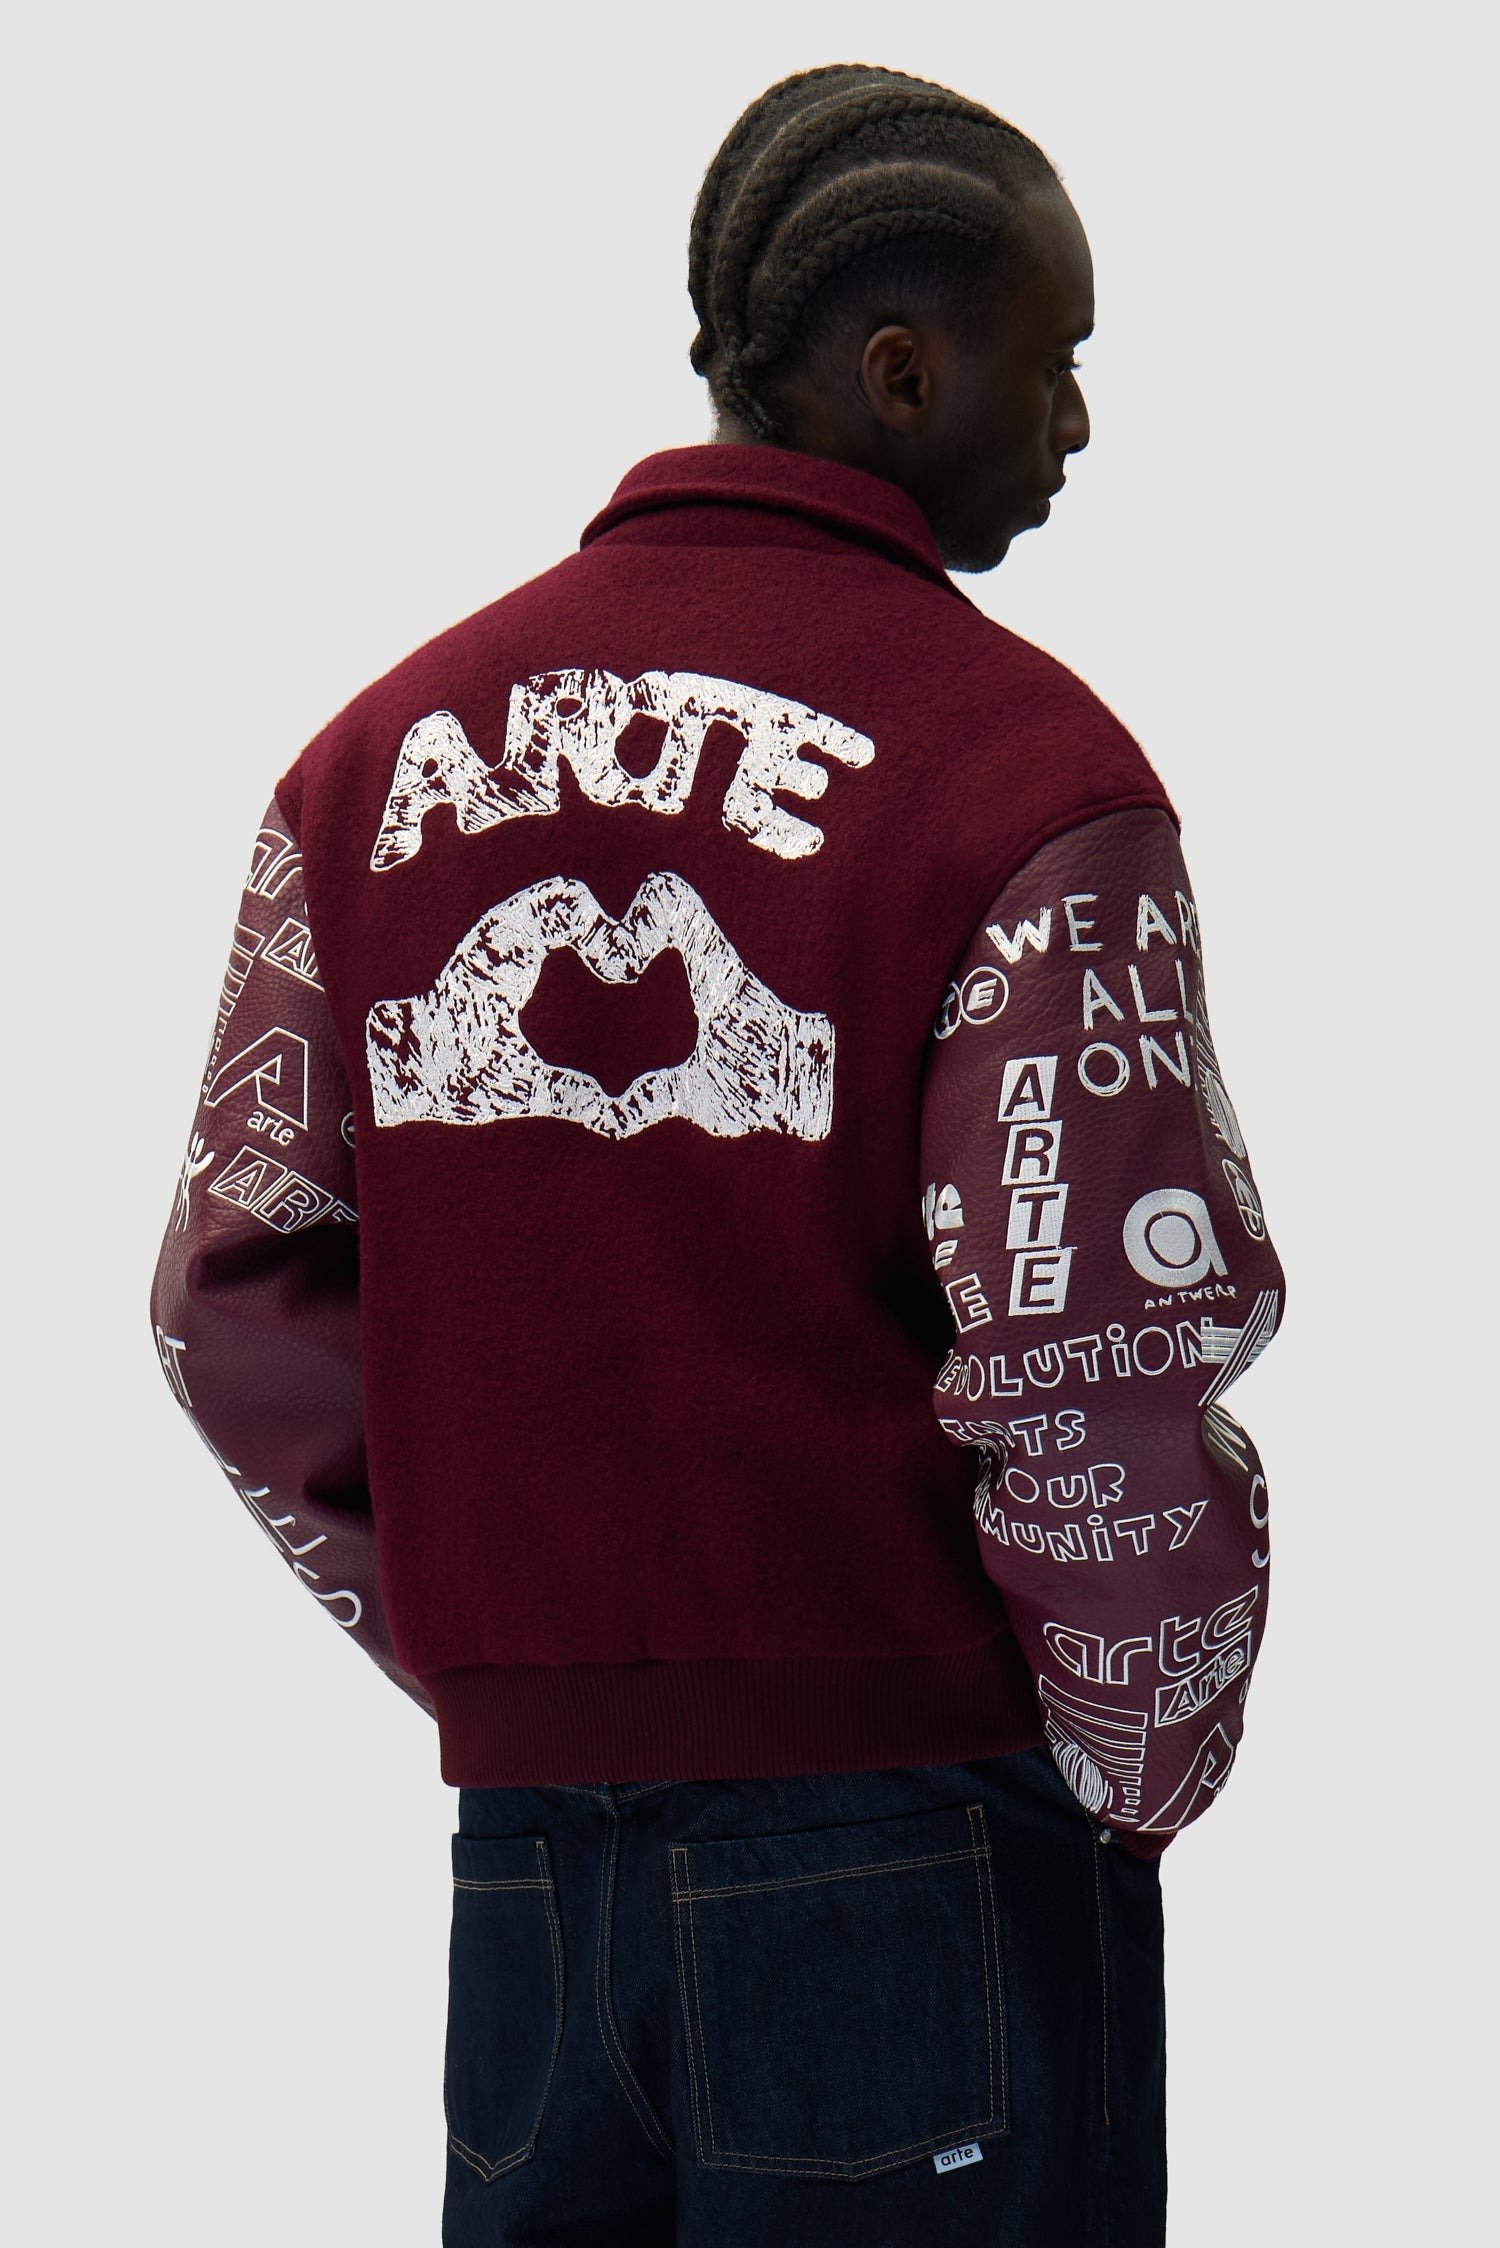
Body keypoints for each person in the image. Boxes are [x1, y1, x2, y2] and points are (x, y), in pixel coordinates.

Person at [150, 60, 1284, 2247]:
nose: (1076, 423)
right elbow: (1095, 1337)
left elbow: (233, 1289)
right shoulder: (1023, 771)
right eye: (1053, 361)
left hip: (529, 1878)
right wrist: (1141, 1754)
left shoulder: (367, 763)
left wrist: (526, 1654)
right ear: (900, 371)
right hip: (923, 1837)